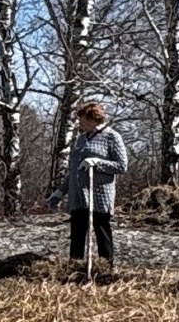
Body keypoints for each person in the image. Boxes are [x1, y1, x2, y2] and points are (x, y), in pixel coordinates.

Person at [51, 100, 127, 280]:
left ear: (94, 118)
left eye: (83, 119)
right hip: (79, 196)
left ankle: (104, 271)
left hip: (99, 195)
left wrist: (97, 162)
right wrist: (60, 192)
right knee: (77, 234)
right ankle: (75, 270)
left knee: (102, 232)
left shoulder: (112, 137)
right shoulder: (81, 139)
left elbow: (121, 166)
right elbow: (74, 168)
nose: (80, 123)